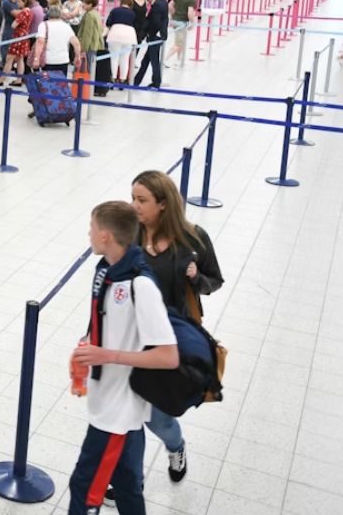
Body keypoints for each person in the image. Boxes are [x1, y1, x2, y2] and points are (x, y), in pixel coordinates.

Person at [67, 201, 179, 515]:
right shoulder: (104, 270)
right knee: (128, 486)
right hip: (110, 404)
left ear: (105, 236)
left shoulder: (141, 286)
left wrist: (108, 355)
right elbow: (105, 323)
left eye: (91, 227)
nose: (88, 233)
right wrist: (88, 348)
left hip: (117, 414)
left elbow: (168, 357)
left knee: (86, 489)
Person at [126, 171, 224, 494]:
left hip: (171, 344)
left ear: (164, 205)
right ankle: (131, 480)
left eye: (142, 200)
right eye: (133, 198)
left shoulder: (193, 239)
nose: (134, 206)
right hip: (132, 338)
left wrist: (197, 279)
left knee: (159, 421)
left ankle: (176, 446)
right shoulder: (131, 236)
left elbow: (215, 280)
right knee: (128, 418)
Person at [134, 0, 169, 88]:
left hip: (155, 36)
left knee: (154, 60)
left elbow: (156, 22)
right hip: (160, 35)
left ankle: (156, 82)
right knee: (146, 60)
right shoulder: (163, 1)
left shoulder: (157, 5)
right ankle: (137, 80)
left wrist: (149, 34)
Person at [0, 0, 32, 88]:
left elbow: (14, 24)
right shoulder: (30, 11)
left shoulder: (22, 13)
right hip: (25, 35)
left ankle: (2, 79)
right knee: (20, 58)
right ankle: (19, 79)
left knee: (9, 58)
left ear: (24, 1)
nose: (17, 3)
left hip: (18, 36)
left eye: (19, 1)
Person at [105, 0, 138, 85]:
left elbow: (108, 23)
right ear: (130, 5)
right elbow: (136, 25)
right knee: (125, 59)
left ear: (121, 3)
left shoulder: (114, 11)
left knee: (114, 58)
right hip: (129, 36)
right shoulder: (133, 13)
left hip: (115, 34)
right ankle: (122, 80)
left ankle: (113, 78)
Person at [167, 0, 197, 68]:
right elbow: (190, 12)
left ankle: (179, 60)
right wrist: (192, 22)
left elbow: (170, 5)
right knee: (179, 43)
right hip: (182, 22)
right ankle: (165, 60)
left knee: (181, 42)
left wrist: (173, 14)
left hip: (175, 20)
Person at [76, 0, 105, 79]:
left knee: (87, 68)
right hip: (95, 44)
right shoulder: (96, 13)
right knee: (91, 66)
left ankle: (86, 88)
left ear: (90, 4)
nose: (83, 5)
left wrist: (83, 48)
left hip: (89, 46)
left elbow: (87, 33)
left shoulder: (89, 15)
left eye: (85, 3)